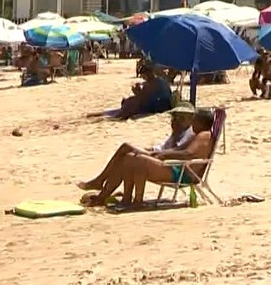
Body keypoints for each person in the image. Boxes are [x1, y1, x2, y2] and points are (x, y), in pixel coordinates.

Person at [88, 108, 216, 207]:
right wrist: (160, 154)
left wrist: (164, 155)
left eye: (195, 120)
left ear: (201, 122)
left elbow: (189, 154)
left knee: (138, 160)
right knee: (129, 157)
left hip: (183, 173)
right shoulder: (197, 135)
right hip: (178, 168)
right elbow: (179, 149)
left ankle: (137, 201)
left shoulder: (204, 135)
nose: (192, 122)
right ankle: (125, 199)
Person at [78, 103, 196, 194]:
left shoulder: (189, 135)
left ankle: (100, 181)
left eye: (181, 118)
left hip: (168, 165)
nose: (176, 120)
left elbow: (176, 152)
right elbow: (162, 147)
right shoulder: (178, 133)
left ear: (191, 119)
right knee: (125, 157)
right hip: (161, 160)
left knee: (125, 147)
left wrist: (151, 153)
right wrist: (147, 150)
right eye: (175, 117)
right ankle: (103, 195)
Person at [88, 60, 173, 119]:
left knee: (132, 102)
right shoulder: (156, 81)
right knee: (130, 101)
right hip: (161, 103)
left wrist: (136, 92)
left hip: (160, 105)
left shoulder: (154, 83)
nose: (143, 78)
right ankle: (114, 114)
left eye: (143, 76)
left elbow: (142, 98)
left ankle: (118, 116)